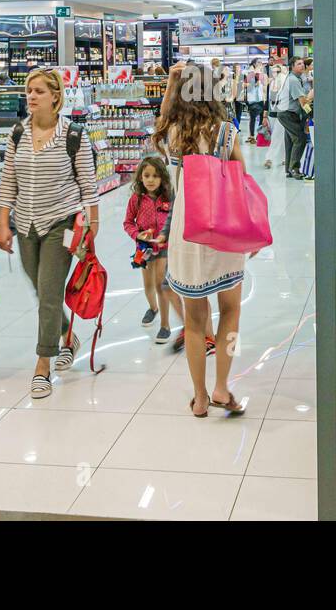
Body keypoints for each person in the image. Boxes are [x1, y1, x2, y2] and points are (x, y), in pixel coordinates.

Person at [0, 67, 99, 399]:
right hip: (26, 223)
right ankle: (68, 335)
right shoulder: (17, 134)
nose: (31, 96)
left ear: (55, 96)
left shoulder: (73, 135)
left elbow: (88, 183)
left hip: (62, 222)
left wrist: (92, 225)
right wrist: (3, 222)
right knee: (40, 288)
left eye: (38, 91)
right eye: (29, 90)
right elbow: (8, 181)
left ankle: (43, 364)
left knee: (50, 291)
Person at [154, 61, 248, 417]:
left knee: (194, 319)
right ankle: (223, 386)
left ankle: (200, 397)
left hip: (187, 233)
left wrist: (170, 83)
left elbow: (161, 120)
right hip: (224, 232)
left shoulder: (175, 134)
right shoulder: (226, 133)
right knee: (230, 310)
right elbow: (242, 181)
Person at [124, 156, 181, 343]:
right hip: (144, 248)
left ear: (162, 178)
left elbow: (176, 219)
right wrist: (137, 235)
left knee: (160, 285)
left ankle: (165, 325)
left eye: (155, 176)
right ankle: (153, 308)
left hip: (164, 247)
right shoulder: (136, 200)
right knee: (148, 285)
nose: (150, 180)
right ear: (140, 177)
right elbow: (127, 223)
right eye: (146, 175)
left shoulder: (169, 197)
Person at [278, 57, 312, 180]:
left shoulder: (296, 78)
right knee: (300, 138)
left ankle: (289, 169)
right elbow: (303, 102)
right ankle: (295, 168)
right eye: (299, 64)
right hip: (288, 114)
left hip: (286, 113)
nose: (302, 66)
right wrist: (311, 113)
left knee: (290, 141)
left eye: (303, 64)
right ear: (292, 66)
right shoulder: (293, 80)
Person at [265, 63, 288, 171]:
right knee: (279, 136)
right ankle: (285, 158)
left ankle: (269, 158)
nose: (275, 74)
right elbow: (267, 100)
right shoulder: (271, 83)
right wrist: (264, 116)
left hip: (282, 113)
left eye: (277, 72)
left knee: (276, 136)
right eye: (273, 71)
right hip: (272, 114)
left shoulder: (284, 82)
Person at [244, 59, 268, 145]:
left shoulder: (263, 74)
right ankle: (252, 136)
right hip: (253, 99)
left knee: (262, 118)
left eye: (261, 63)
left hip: (261, 98)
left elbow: (265, 86)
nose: (260, 64)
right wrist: (253, 84)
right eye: (258, 63)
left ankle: (259, 135)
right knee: (253, 118)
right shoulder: (250, 73)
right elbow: (245, 84)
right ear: (254, 64)